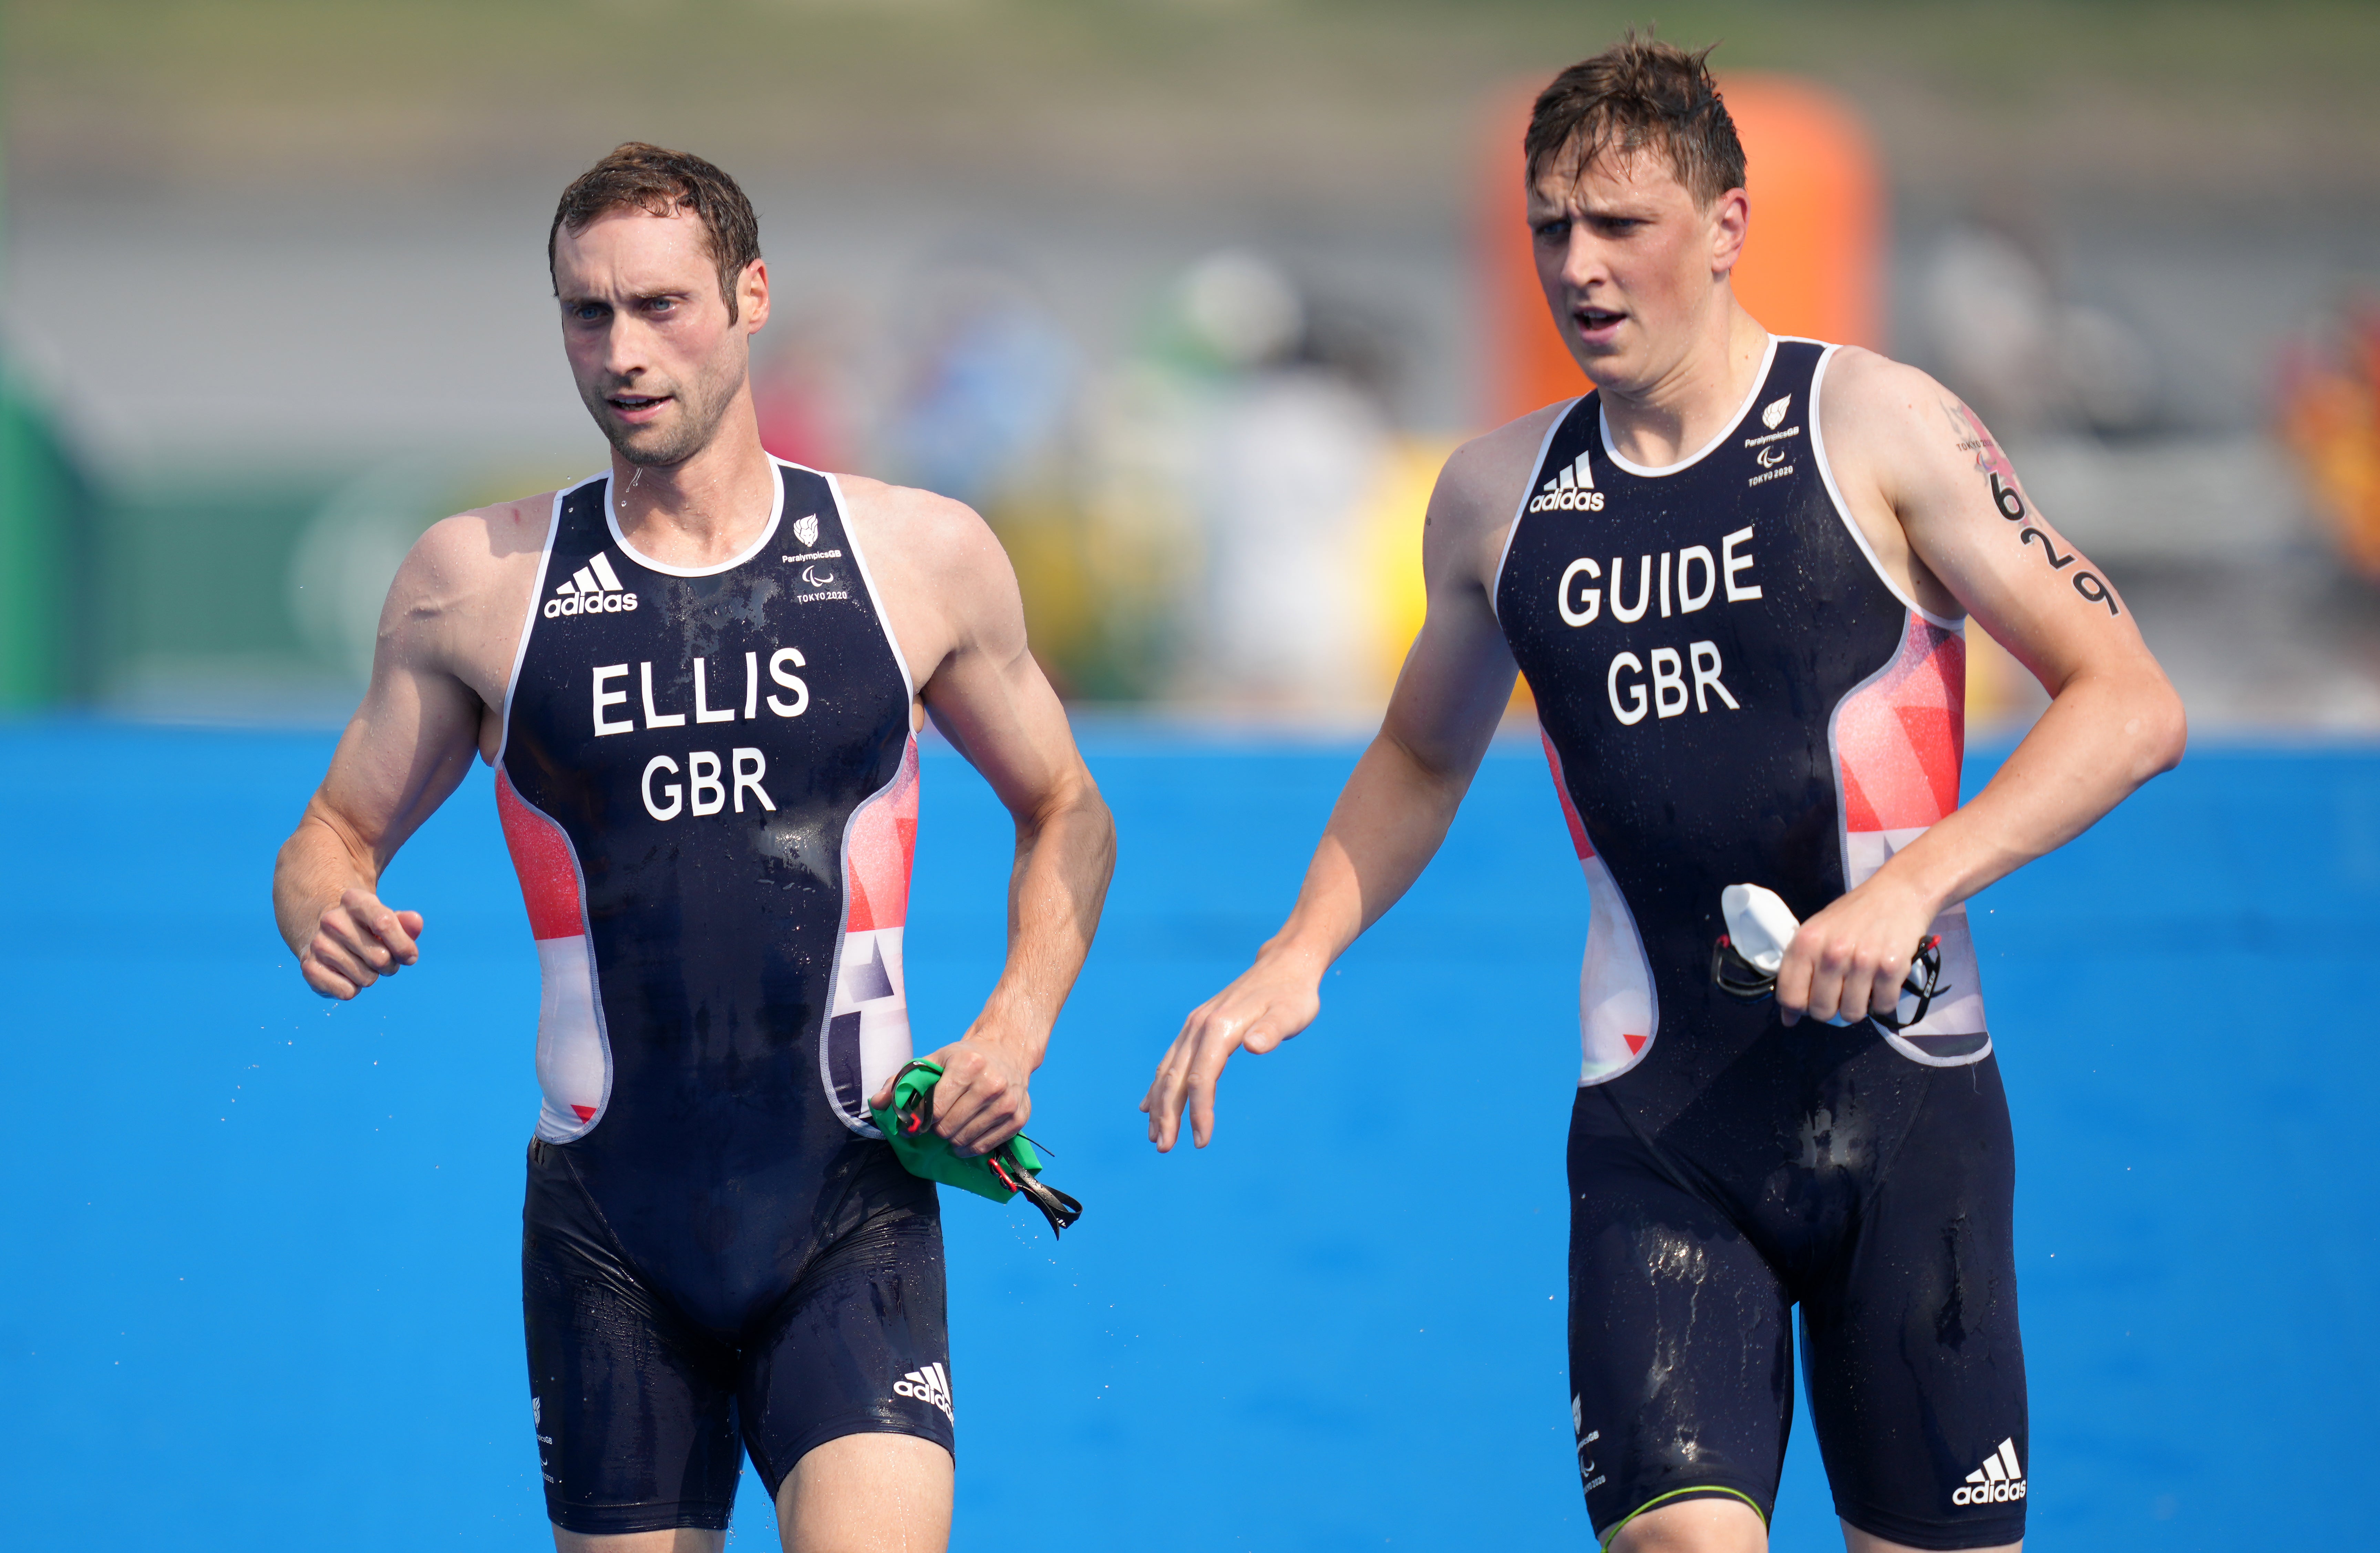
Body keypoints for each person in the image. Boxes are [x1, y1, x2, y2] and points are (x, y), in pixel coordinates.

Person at [1142, 38, 2183, 1553]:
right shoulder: (1497, 496)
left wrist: (1908, 887)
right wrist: (1299, 952)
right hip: (1662, 1121)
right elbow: (1424, 751)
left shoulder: (1879, 427)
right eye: (1551, 229)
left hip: (1910, 1119)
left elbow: (2132, 701)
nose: (1582, 268)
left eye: (1622, 225)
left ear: (1727, 227)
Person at [272, 143, 1115, 1553]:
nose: (623, 351)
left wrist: (1015, 1033)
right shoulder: (475, 585)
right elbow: (333, 835)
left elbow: (1069, 811)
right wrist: (321, 905)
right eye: (587, 315)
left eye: (662, 306)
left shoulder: (916, 557)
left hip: (850, 1210)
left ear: (752, 295)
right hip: (612, 1235)